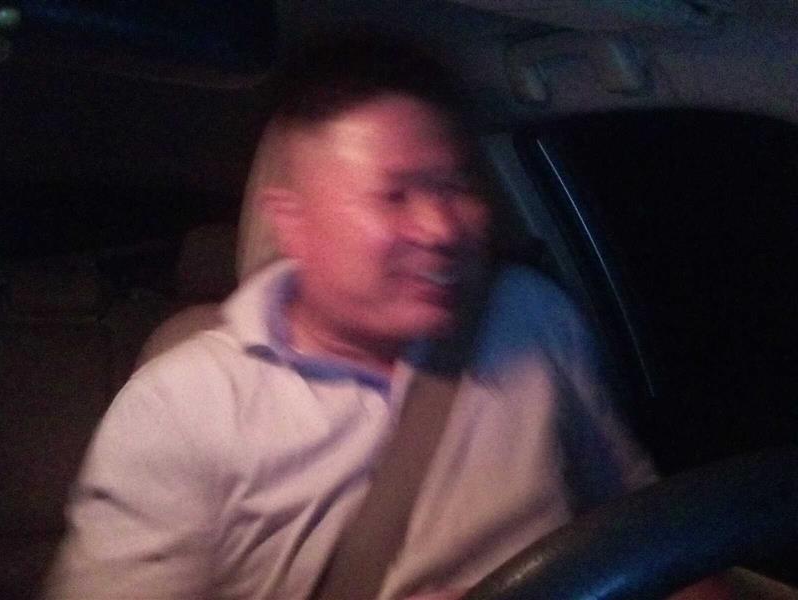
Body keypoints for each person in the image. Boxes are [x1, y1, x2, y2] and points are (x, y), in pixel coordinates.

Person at [45, 34, 667, 599]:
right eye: (394, 196)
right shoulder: (184, 405)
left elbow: (638, 529)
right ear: (292, 224)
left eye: (456, 187)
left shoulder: (529, 313)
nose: (442, 228)